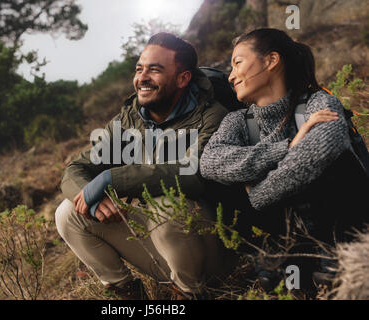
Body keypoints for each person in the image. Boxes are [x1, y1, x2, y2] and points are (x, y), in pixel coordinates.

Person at [55, 32, 237, 299]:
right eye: (140, 69)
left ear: (183, 78)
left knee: (167, 204)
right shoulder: (131, 120)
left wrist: (111, 179)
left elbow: (193, 172)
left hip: (213, 252)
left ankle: (189, 294)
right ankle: (128, 295)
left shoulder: (211, 115)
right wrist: (91, 197)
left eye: (155, 70)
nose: (142, 78)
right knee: (69, 213)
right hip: (161, 249)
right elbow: (76, 168)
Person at [199, 28, 368, 290]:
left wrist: (256, 192)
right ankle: (278, 263)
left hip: (342, 235)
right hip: (285, 242)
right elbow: (210, 162)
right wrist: (288, 146)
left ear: (271, 60)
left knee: (331, 163)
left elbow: (320, 151)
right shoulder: (237, 122)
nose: (231, 75)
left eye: (237, 63)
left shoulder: (319, 102)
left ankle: (337, 256)